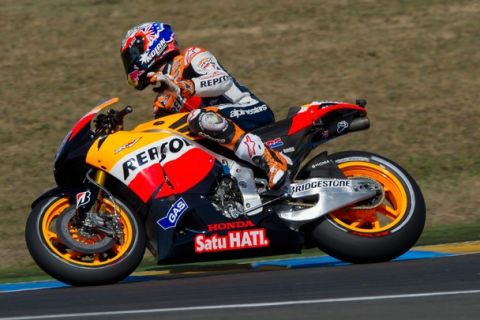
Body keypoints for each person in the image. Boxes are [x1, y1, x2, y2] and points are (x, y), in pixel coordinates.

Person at [120, 22, 290, 189]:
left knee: (199, 118)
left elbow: (222, 80)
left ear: (152, 44)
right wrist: (121, 136)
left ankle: (271, 160)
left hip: (250, 109)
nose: (130, 62)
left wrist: (183, 87)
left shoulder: (191, 55)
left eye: (133, 54)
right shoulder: (161, 102)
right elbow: (163, 139)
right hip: (218, 141)